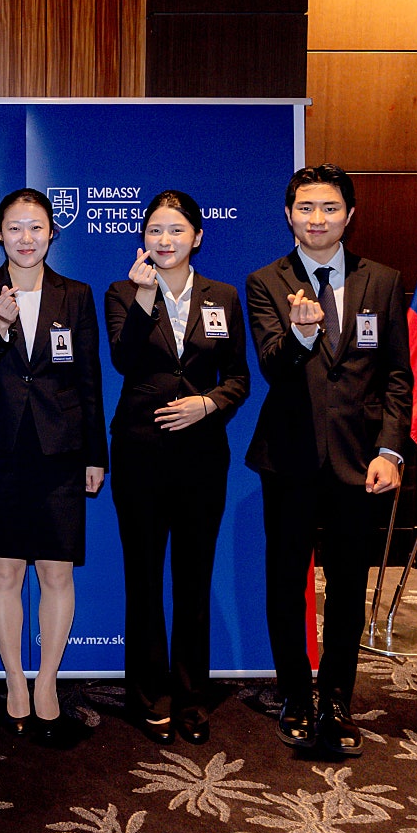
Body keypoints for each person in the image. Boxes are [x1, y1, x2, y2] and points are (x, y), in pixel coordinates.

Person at [245, 164, 411, 759]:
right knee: (286, 583)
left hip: (360, 462)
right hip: (288, 458)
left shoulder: (383, 281)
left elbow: (397, 375)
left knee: (347, 586)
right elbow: (272, 365)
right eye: (306, 208)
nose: (317, 219)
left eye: (330, 208)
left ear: (350, 215)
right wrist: (300, 335)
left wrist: (390, 449)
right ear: (289, 215)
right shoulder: (266, 281)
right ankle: (295, 694)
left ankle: (337, 699)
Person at [0, 189, 106, 740]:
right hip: (0, 448)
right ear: (0, 233)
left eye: (36, 227)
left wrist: (96, 454)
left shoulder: (76, 294)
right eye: (15, 228)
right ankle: (15, 680)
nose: (26, 238)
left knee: (56, 572)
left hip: (61, 448)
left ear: (51, 234)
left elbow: (89, 378)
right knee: (5, 571)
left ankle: (47, 682)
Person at [106, 190, 249, 746]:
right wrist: (145, 298)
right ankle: (146, 696)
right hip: (140, 452)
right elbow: (124, 360)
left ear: (197, 237)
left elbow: (239, 377)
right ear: (143, 237)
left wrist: (208, 404)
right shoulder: (123, 291)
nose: (164, 241)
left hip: (202, 458)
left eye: (176, 230)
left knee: (193, 579)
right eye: (155, 231)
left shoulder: (223, 296)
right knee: (142, 578)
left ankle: (191, 698)